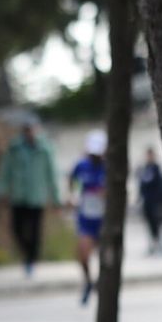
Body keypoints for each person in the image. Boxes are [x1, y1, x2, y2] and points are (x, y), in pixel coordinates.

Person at [0, 121, 60, 276]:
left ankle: (31, 259)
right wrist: (0, 191)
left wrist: (56, 199)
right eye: (27, 130)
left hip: (37, 197)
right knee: (17, 229)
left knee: (35, 231)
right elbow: (5, 171)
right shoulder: (14, 148)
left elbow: (52, 175)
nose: (30, 133)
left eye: (32, 130)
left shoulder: (45, 149)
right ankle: (25, 253)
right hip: (19, 195)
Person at [68, 130, 109, 305]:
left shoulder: (109, 167)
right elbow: (71, 179)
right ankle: (88, 281)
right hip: (86, 216)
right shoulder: (81, 165)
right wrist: (71, 196)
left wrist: (105, 194)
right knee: (83, 252)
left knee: (106, 255)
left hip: (104, 218)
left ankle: (102, 283)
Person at [136, 147, 162, 255]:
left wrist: (160, 201)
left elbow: (161, 186)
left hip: (156, 202)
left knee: (158, 224)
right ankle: (153, 245)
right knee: (149, 224)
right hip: (147, 202)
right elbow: (141, 185)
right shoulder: (144, 169)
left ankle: (160, 245)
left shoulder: (156, 169)